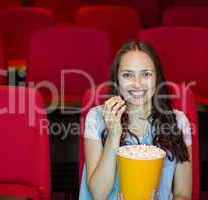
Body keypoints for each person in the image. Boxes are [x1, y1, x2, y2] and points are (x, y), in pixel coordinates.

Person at [79, 40, 192, 200]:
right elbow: (98, 193)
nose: (137, 84)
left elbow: (183, 193)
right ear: (117, 79)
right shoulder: (96, 117)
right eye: (127, 75)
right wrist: (113, 135)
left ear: (157, 78)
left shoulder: (179, 122)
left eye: (146, 74)